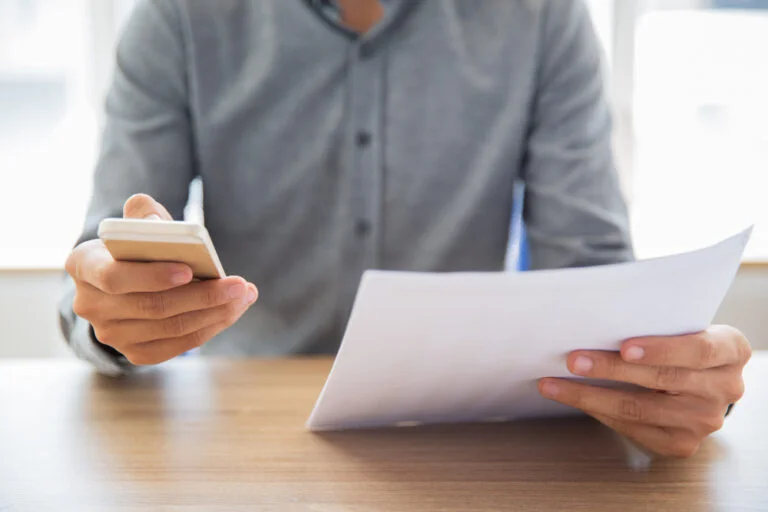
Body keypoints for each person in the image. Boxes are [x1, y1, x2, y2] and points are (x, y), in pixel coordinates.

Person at [59, 0, 751, 458]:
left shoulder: (542, 15)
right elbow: (100, 259)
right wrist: (109, 316)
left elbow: (591, 270)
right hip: (246, 437)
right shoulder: (177, 15)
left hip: (464, 444)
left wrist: (657, 376)